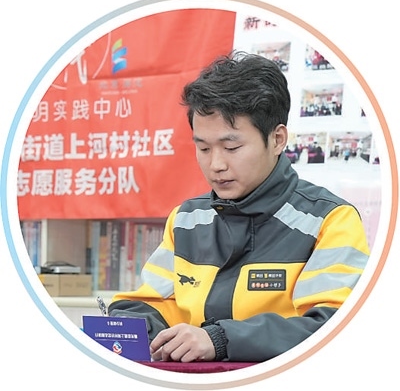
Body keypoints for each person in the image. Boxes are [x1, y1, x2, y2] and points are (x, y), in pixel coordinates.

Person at [108, 51, 370, 363]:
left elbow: (332, 326)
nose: (216, 164)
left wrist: (220, 339)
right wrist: (130, 328)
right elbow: (152, 304)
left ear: (277, 139)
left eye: (231, 147)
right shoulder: (187, 220)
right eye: (203, 148)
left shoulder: (329, 220)